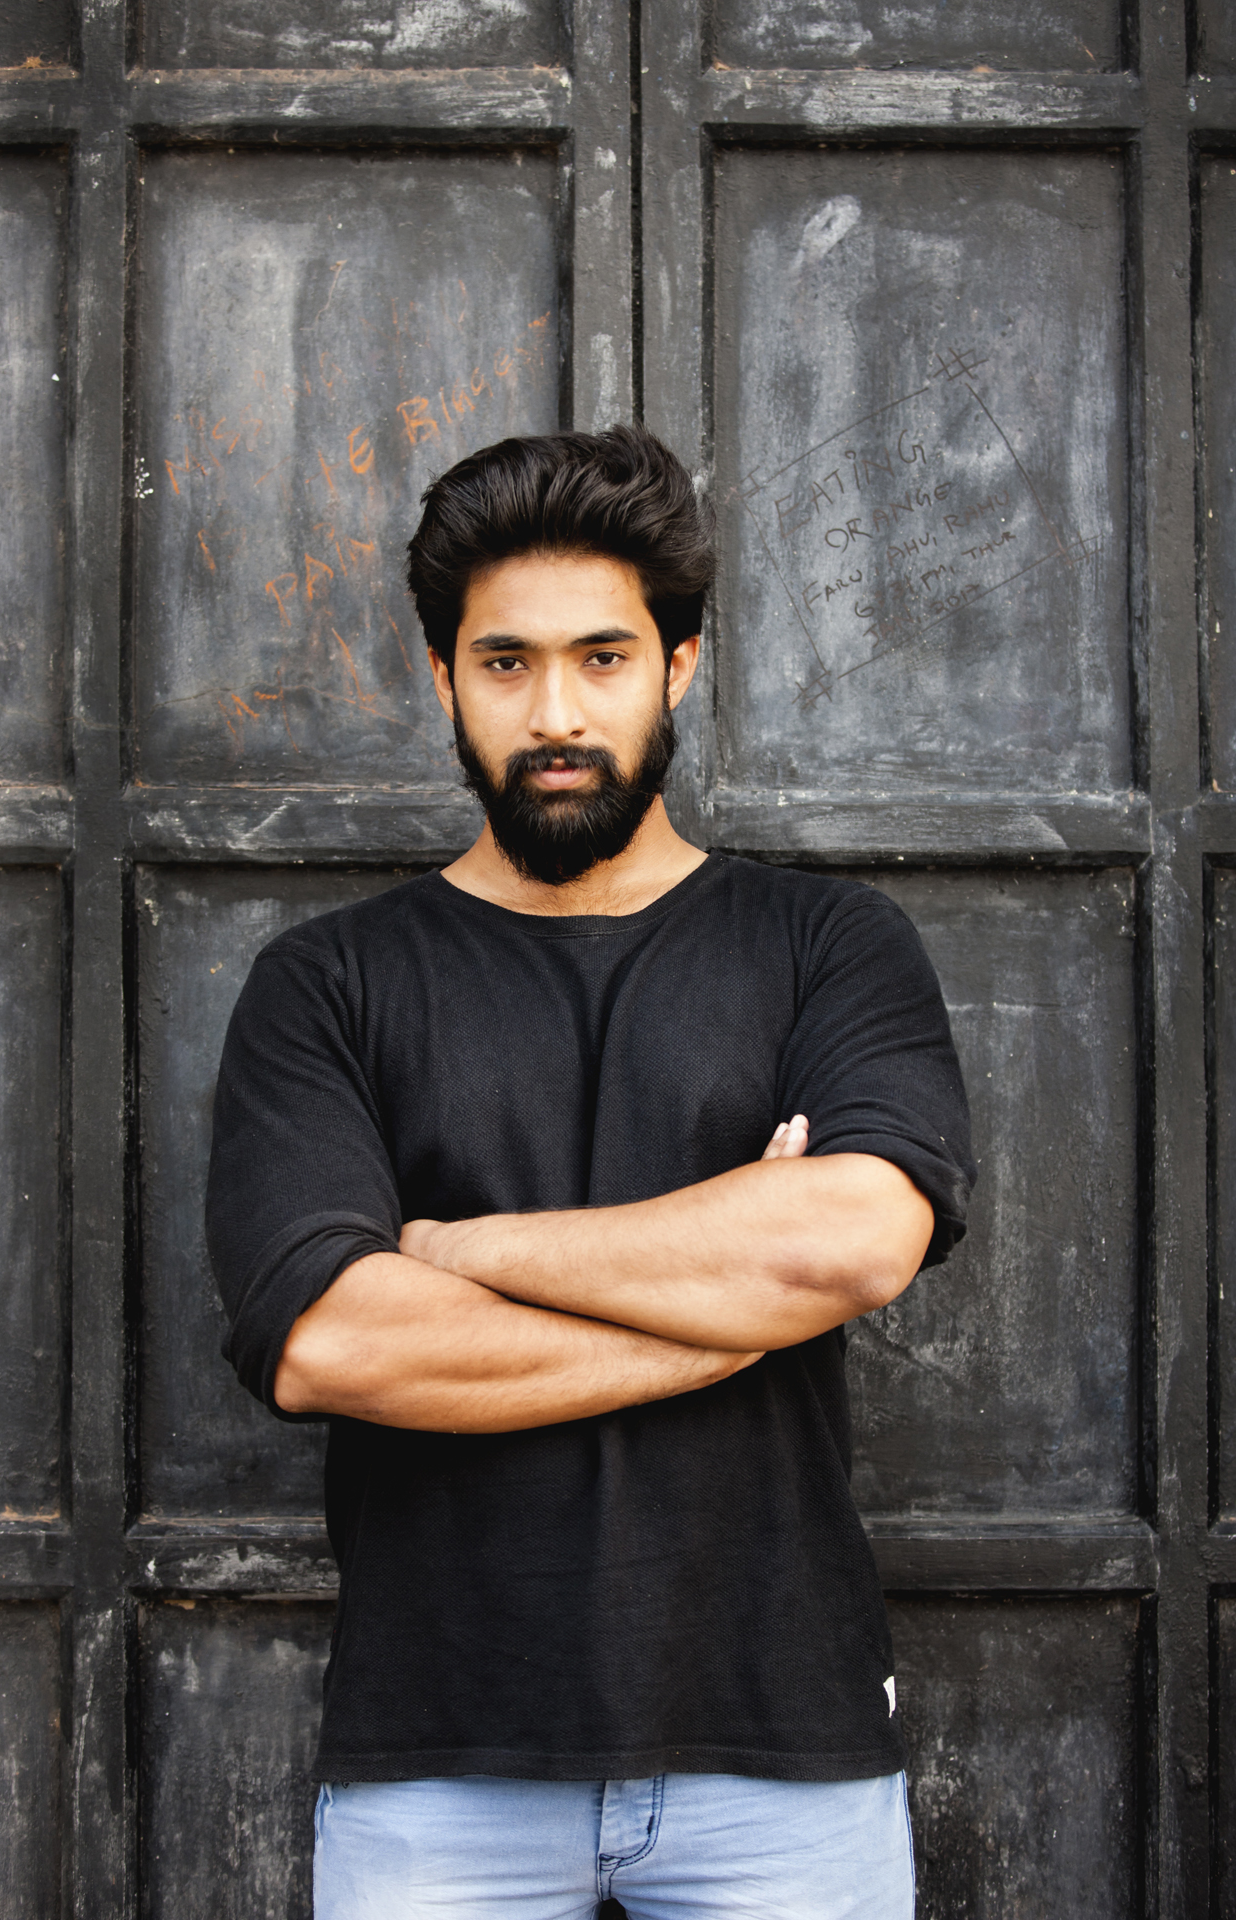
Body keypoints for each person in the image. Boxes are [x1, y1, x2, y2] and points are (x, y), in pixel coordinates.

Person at [207, 424, 975, 1919]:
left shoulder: (829, 946)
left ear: (678, 665)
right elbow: (333, 1340)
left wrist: (455, 1249)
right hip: (440, 1762)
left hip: (782, 1751)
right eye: (505, 663)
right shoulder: (327, 985)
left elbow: (851, 1246)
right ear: (443, 679)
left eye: (603, 658)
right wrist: (731, 1311)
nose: (555, 713)